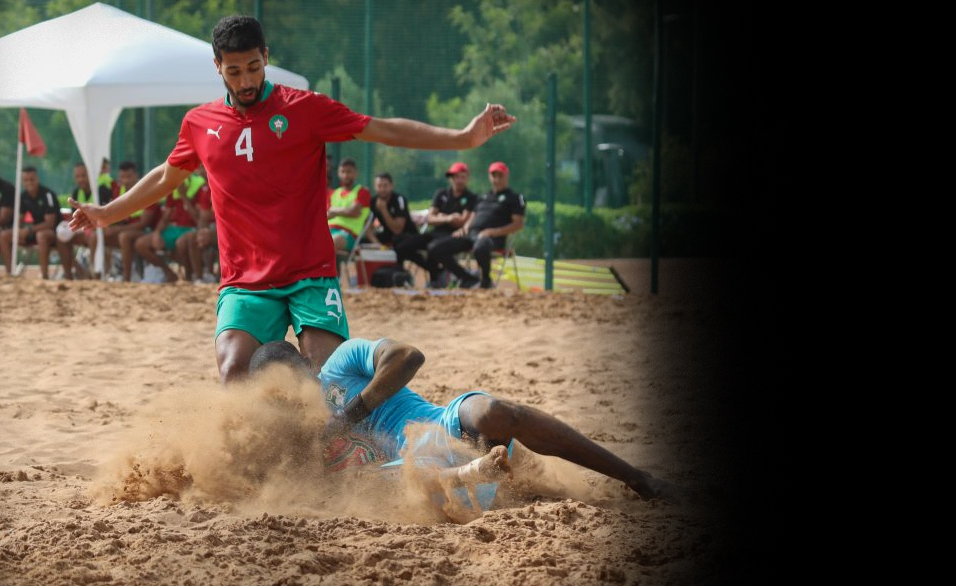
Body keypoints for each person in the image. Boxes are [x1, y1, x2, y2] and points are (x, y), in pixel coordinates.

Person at [68, 15, 516, 384]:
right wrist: (107, 212)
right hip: (245, 280)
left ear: (266, 57)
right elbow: (167, 175)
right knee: (233, 370)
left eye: (253, 67)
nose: (246, 79)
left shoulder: (305, 108)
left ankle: (330, 457)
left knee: (330, 379)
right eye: (234, 70)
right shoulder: (199, 123)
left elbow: (383, 128)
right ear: (217, 66)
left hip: (310, 275)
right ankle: (252, 465)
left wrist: (461, 138)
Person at [248, 339, 677, 508]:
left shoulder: (340, 364)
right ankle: (475, 471)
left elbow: (408, 356)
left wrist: (347, 417)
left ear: (307, 363)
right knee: (382, 482)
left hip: (444, 424)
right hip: (413, 483)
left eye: (295, 376)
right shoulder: (290, 433)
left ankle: (640, 479)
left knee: (499, 413)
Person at [428, 161, 525, 289]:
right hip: (471, 235)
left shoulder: (515, 198)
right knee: (435, 247)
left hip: (491, 239)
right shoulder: (482, 197)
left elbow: (518, 224)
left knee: (481, 246)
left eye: (500, 175)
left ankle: (485, 280)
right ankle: (468, 278)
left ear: (507, 176)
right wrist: (464, 228)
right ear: (490, 177)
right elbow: (473, 216)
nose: (497, 179)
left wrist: (492, 232)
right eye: (494, 175)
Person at [396, 162, 479, 288]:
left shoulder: (471, 197)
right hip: (436, 232)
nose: (459, 180)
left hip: (454, 235)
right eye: (457, 177)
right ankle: (437, 271)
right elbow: (429, 218)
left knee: (433, 247)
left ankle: (466, 278)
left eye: (463, 177)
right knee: (403, 245)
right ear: (451, 178)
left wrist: (440, 216)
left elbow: (461, 221)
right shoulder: (441, 194)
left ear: (467, 178)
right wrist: (448, 218)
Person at [0, 166, 72, 280]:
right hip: (34, 231)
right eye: (26, 180)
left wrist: (29, 230)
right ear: (22, 181)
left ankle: (44, 275)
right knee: (4, 235)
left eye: (31, 179)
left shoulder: (47, 195)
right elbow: (19, 219)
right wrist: (18, 230)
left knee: (41, 235)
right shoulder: (23, 196)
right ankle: (10, 273)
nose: (29, 183)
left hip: (54, 232)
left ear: (37, 179)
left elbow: (50, 223)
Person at [133, 177, 201, 283]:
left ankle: (189, 276)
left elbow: (198, 218)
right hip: (173, 228)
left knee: (181, 243)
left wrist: (184, 196)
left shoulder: (199, 187)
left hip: (191, 229)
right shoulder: (174, 188)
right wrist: (157, 233)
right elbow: (165, 217)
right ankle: (168, 272)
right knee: (141, 244)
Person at [327, 157, 371, 262]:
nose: (345, 175)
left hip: (349, 235)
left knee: (332, 241)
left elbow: (354, 212)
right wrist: (344, 211)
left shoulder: (362, 192)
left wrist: (334, 211)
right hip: (328, 230)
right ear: (338, 173)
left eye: (349, 172)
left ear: (355, 173)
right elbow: (326, 215)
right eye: (343, 171)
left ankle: (321, 275)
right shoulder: (333, 193)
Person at [367, 172, 418, 251]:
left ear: (391, 185)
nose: (382, 189)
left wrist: (384, 210)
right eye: (379, 186)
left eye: (385, 186)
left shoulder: (399, 199)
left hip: (406, 235)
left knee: (397, 240)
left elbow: (397, 230)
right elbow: (367, 228)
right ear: (375, 187)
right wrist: (377, 245)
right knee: (364, 243)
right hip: (387, 236)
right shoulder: (373, 201)